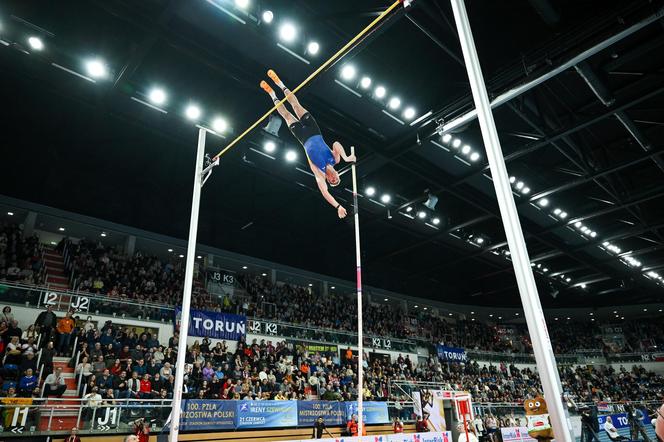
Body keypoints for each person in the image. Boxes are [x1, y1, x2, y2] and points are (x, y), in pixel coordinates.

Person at [260, 70, 356, 218]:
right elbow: (336, 143)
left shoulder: (319, 174)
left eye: (332, 181)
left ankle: (272, 94)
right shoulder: (335, 159)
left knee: (286, 114)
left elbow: (325, 192)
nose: (333, 179)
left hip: (303, 137)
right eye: (336, 179)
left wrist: (338, 206)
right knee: (296, 105)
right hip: (314, 129)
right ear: (337, 174)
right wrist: (347, 157)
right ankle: (280, 83)